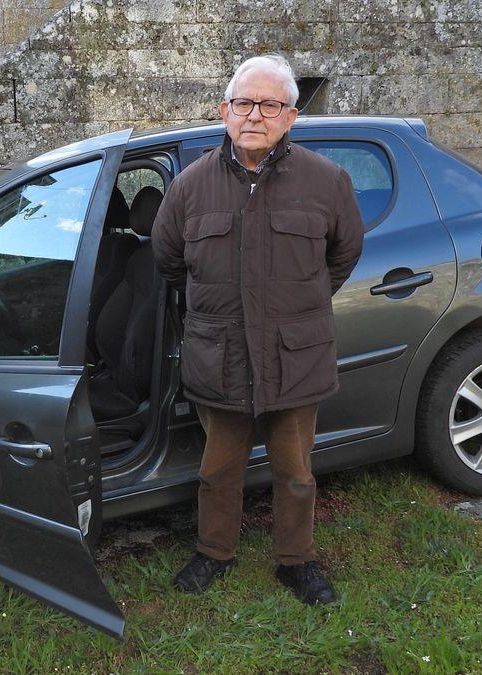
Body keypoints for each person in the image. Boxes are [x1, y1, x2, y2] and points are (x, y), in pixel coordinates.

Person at [152, 54, 364, 603]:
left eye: (270, 105)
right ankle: (213, 551)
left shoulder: (327, 182)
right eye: (244, 103)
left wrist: (298, 306)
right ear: (224, 111)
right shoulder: (190, 186)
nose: (255, 115)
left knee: (295, 473)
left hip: (295, 358)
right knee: (217, 471)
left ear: (291, 117)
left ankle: (296, 561)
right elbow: (170, 260)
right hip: (219, 358)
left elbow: (341, 257)